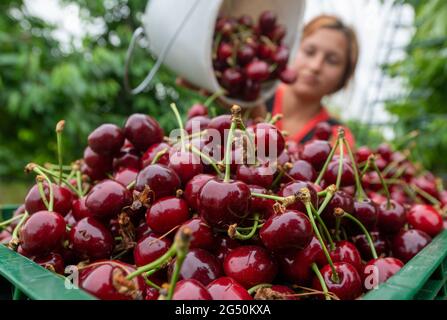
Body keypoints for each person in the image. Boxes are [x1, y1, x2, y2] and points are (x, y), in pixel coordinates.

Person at [250, 15, 358, 146]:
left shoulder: (337, 137)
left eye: (332, 61)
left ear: (343, 77)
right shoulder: (249, 96)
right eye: (309, 52)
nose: (315, 66)